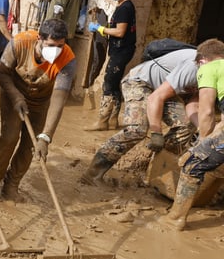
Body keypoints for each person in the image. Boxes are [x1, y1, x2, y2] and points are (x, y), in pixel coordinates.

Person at [0, 18, 77, 201]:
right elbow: (2, 73)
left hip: (40, 101)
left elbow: (59, 97)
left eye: (60, 45)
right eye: (51, 45)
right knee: (9, 137)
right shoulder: (19, 42)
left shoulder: (67, 59)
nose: (56, 50)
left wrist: (46, 136)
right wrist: (16, 96)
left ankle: (11, 185)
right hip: (13, 94)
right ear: (39, 39)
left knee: (31, 146)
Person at [80, 46, 201, 185]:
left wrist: (203, 132)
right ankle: (92, 174)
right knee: (136, 129)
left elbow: (194, 105)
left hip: (164, 90)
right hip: (140, 81)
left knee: (186, 126)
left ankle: (155, 171)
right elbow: (155, 98)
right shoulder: (195, 65)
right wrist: (156, 133)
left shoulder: (215, 74)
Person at [162, 39, 224, 229]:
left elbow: (205, 111)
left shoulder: (209, 68)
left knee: (192, 163)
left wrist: (202, 143)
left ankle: (175, 219)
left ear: (202, 60)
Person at [86, 0, 137, 130]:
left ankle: (102, 121)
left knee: (108, 84)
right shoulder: (123, 5)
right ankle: (113, 120)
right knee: (114, 85)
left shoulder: (125, 8)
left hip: (121, 50)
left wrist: (100, 29)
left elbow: (120, 32)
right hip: (122, 49)